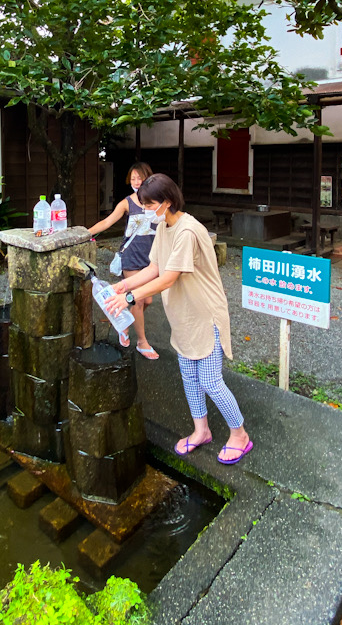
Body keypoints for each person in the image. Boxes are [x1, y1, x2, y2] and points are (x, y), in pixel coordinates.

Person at [105, 173, 253, 465]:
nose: (145, 210)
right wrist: (124, 285)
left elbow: (168, 278)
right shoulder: (165, 226)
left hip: (204, 314)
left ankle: (240, 434)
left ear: (167, 202)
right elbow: (154, 267)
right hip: (183, 316)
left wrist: (130, 298)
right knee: (189, 376)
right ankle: (202, 431)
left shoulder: (187, 231)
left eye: (149, 205)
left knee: (210, 381)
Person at [88, 162, 159, 359]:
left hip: (151, 258)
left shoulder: (156, 201)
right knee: (139, 299)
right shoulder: (127, 203)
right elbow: (107, 222)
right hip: (131, 256)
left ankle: (124, 320)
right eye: (133, 178)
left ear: (148, 178)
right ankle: (142, 342)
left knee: (148, 299)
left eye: (140, 178)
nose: (136, 182)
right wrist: (85, 233)